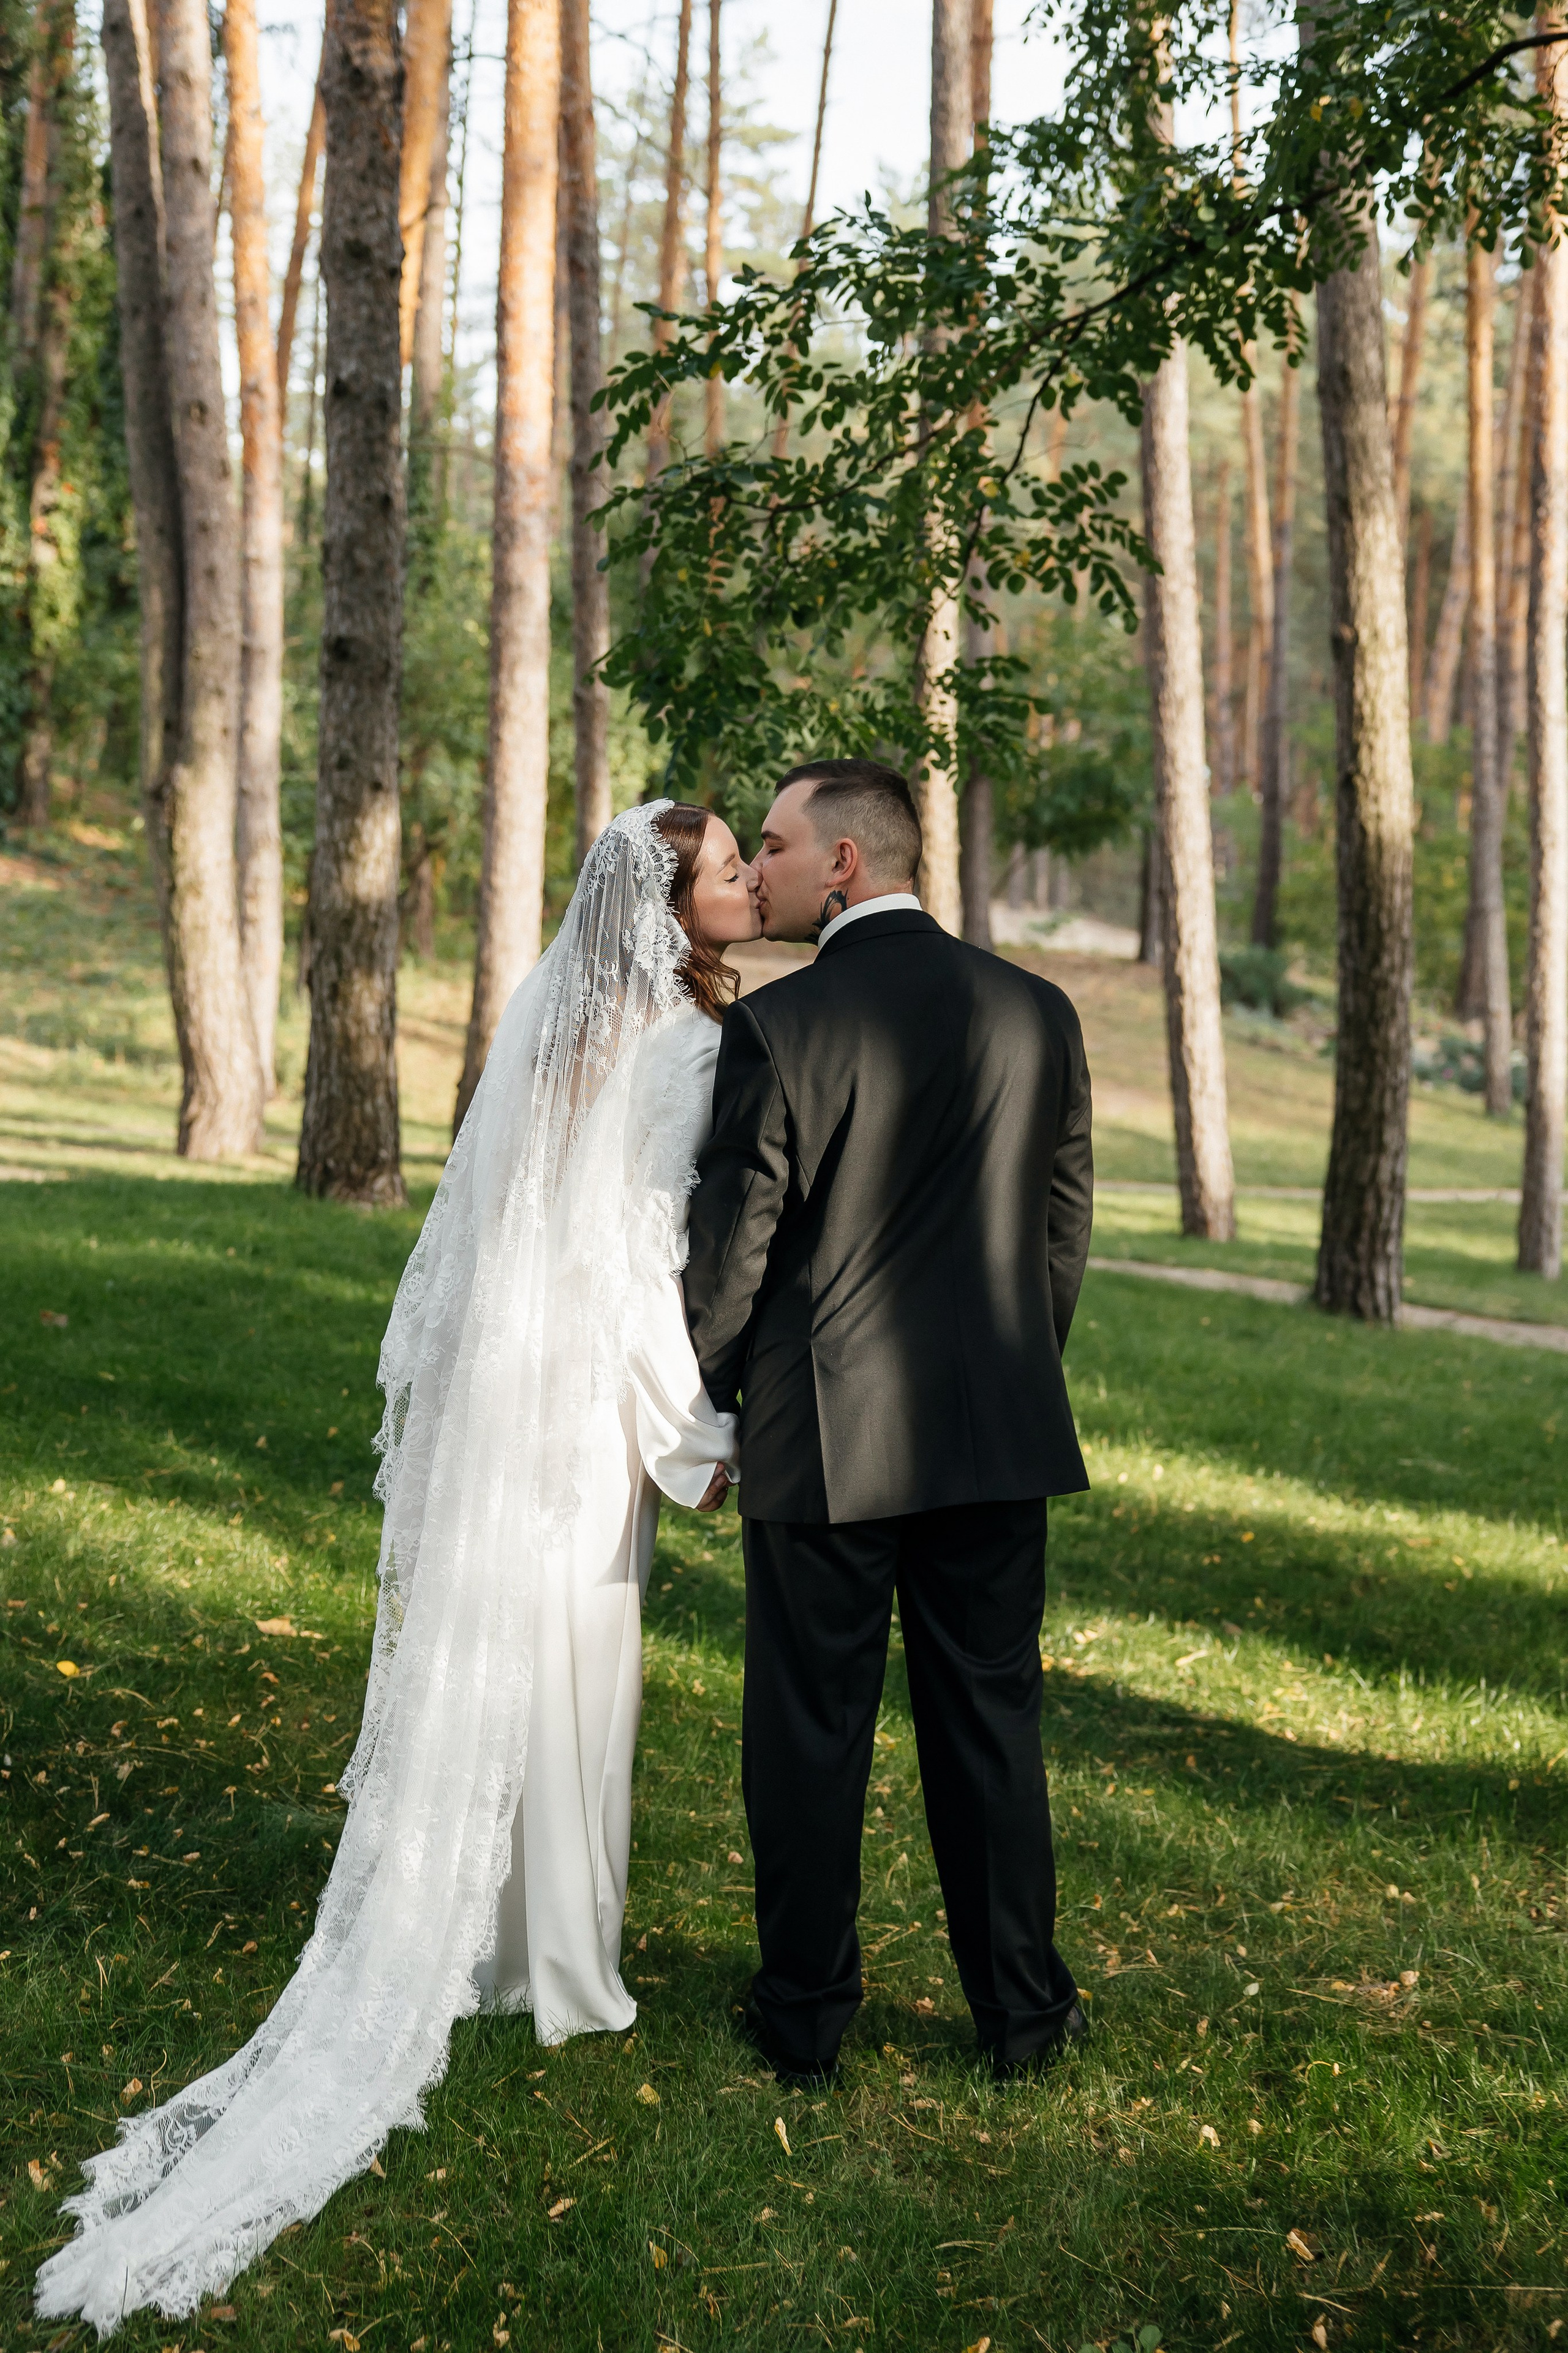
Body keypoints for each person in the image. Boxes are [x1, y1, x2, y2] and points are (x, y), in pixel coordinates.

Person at [36, 803, 756, 2337]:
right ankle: (560, 1967)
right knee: (578, 1659)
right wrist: (699, 1439)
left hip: (513, 1390)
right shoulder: (682, 1049)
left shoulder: (563, 1030)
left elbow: (517, 1232)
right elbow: (636, 1263)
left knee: (507, 1650)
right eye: (722, 872)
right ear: (669, 907)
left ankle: (494, 1939)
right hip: (587, 1406)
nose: (745, 884)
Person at [684, 758, 1094, 2086]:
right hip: (997, 1434)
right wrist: (1011, 1373)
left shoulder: (781, 1024)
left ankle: (803, 2018)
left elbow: (734, 1253)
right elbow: (1060, 1233)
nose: (762, 867)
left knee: (810, 1729)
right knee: (990, 1724)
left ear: (844, 864)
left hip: (823, 1437)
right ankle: (1022, 2017)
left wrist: (713, 1399)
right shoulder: (1037, 1011)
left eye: (776, 844)